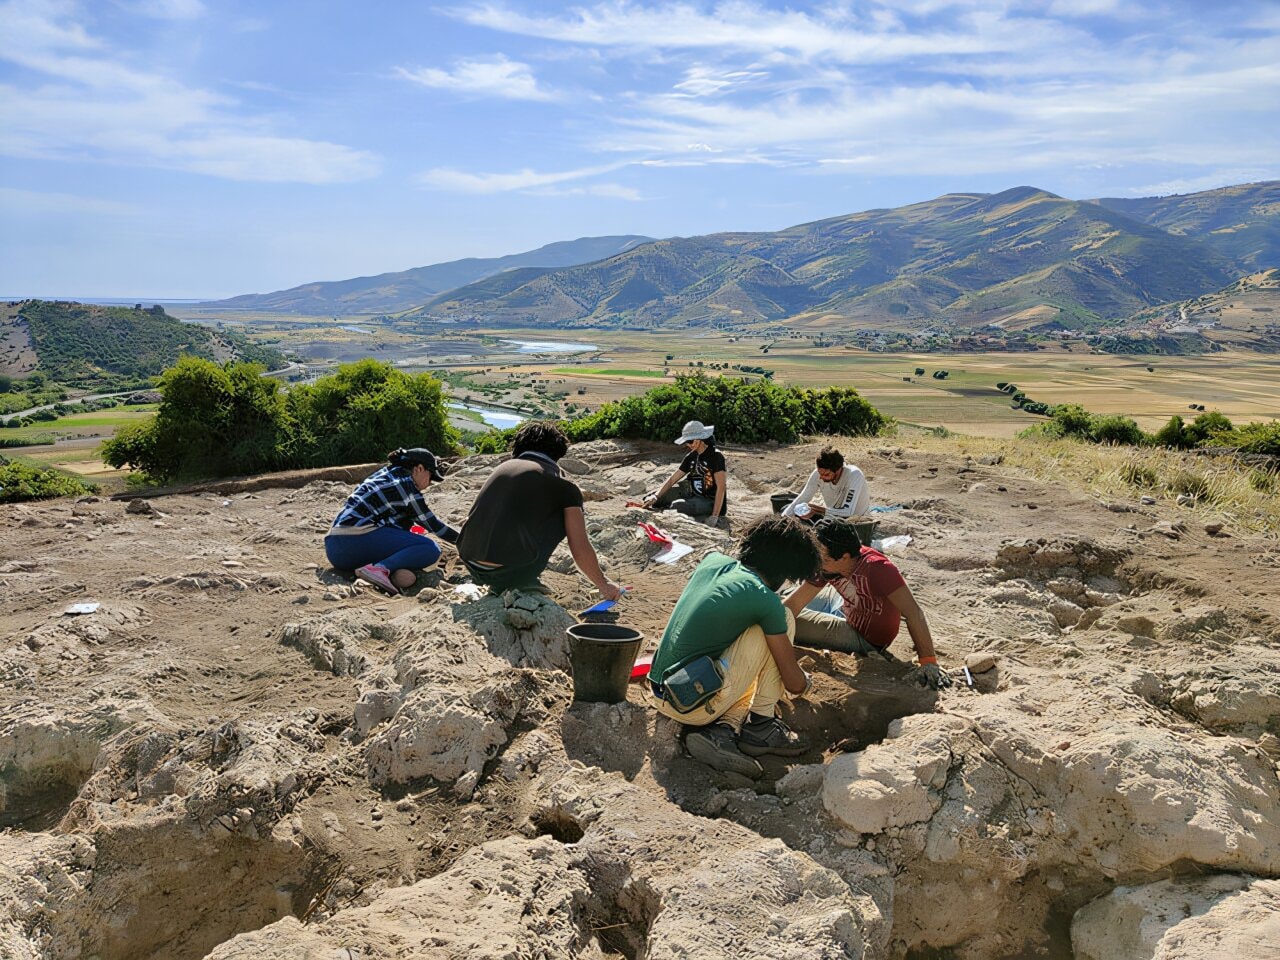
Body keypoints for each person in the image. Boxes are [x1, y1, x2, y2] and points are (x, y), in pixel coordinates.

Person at [648, 515, 821, 778]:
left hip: (663, 690)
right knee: (781, 619)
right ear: (783, 570)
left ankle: (723, 727)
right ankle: (759, 726)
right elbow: (794, 684)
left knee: (758, 628)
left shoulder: (713, 562)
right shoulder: (764, 600)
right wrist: (805, 682)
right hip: (690, 705)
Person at [457, 421, 623, 599]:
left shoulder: (501, 469)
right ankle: (521, 582)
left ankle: (504, 578)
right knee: (567, 508)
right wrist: (603, 583)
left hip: (470, 561)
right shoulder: (563, 487)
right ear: (558, 454)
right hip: (509, 571)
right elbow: (579, 545)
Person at [789, 520, 951, 690]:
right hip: (847, 605)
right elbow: (795, 602)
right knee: (781, 604)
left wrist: (928, 661)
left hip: (863, 636)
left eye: (824, 559)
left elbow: (913, 613)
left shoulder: (878, 568)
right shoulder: (829, 565)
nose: (818, 562)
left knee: (788, 621)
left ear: (844, 557)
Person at [325, 447, 456, 596]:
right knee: (430, 548)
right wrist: (464, 541)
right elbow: (433, 525)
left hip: (335, 550)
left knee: (409, 539)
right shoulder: (406, 485)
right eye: (431, 477)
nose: (429, 484)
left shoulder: (385, 474)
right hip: (354, 541)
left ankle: (378, 571)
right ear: (419, 468)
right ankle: (379, 569)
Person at [641, 420, 728, 526]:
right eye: (687, 442)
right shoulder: (691, 456)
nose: (688, 445)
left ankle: (691, 508)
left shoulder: (716, 457)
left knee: (677, 506)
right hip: (690, 492)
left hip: (709, 500)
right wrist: (656, 496)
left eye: (690, 441)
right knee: (649, 498)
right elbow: (673, 478)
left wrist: (715, 516)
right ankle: (676, 503)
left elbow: (721, 487)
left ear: (699, 439)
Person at [782, 446, 869, 521]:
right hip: (831, 516)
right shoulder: (819, 474)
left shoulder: (854, 475)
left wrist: (819, 510)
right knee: (788, 510)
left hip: (857, 521)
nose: (821, 477)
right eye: (820, 473)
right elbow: (803, 497)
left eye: (826, 474)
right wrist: (783, 517)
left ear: (838, 470)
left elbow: (848, 511)